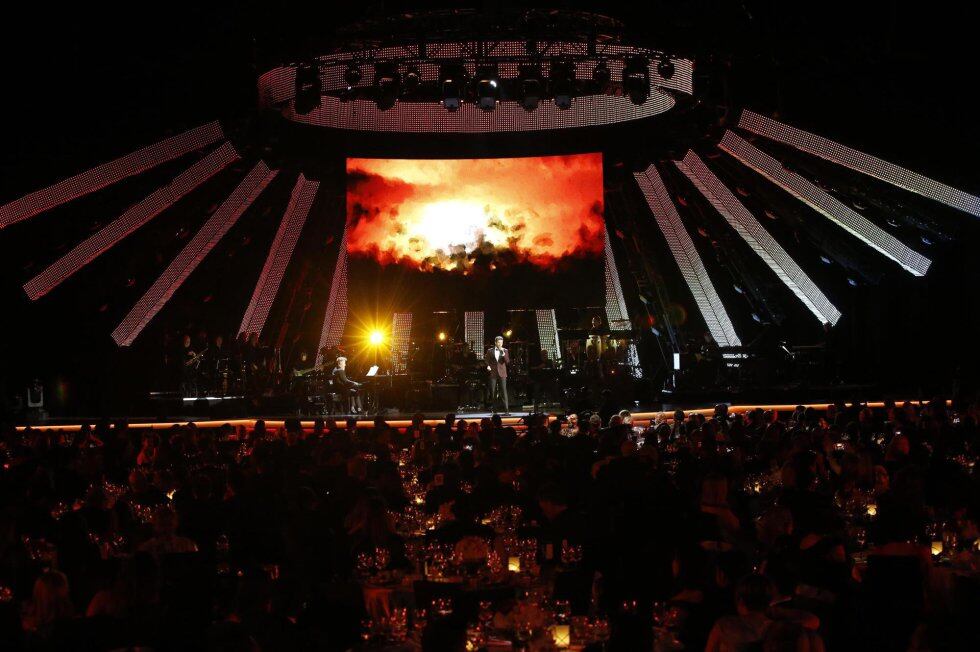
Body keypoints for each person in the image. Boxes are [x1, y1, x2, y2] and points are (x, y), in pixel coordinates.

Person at [484, 335, 510, 413]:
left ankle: (506, 410)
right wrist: (488, 366)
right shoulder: (490, 351)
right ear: (495, 342)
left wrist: (504, 355)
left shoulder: (505, 350)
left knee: (503, 391)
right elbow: (486, 360)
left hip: (502, 373)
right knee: (493, 391)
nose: (500, 344)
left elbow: (507, 362)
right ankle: (494, 410)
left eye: (501, 343)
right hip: (493, 373)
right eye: (498, 342)